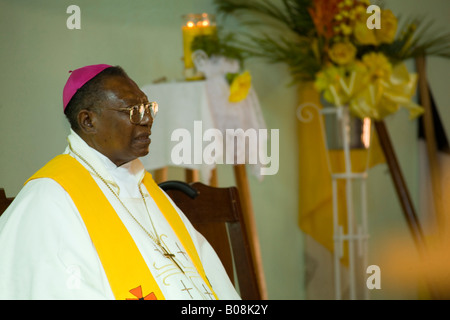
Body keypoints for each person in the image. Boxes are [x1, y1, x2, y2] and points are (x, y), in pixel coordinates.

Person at [0, 64, 241, 300]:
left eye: (148, 108)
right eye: (133, 111)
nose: (147, 120)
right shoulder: (49, 198)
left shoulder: (146, 188)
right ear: (88, 122)